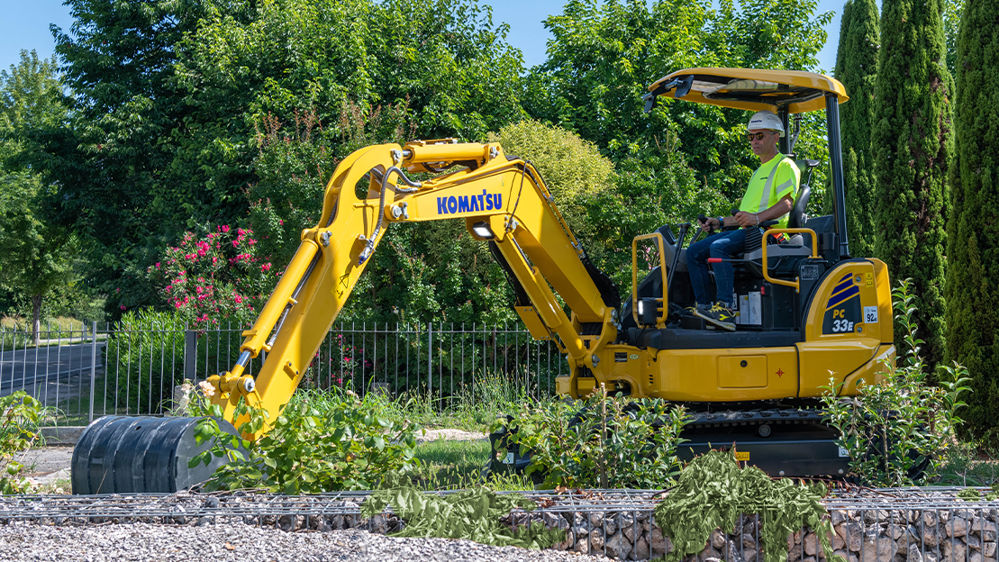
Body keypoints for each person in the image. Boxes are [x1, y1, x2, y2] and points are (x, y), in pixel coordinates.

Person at [687, 110, 800, 331]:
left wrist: (757, 218)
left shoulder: (784, 165)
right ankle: (705, 308)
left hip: (767, 234)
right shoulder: (758, 172)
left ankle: (726, 309)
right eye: (751, 137)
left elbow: (787, 204)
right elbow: (744, 216)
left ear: (776, 136)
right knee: (693, 253)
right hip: (748, 230)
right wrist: (719, 222)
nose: (754, 141)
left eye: (760, 136)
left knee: (719, 247)